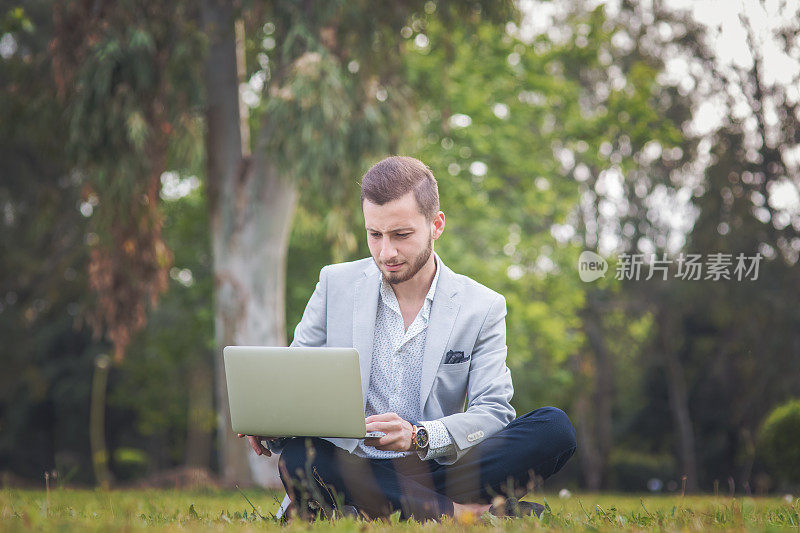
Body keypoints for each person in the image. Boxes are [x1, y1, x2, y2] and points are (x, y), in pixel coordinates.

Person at [239, 156, 576, 521]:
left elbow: (493, 412)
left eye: (401, 235)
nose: (386, 252)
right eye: (375, 234)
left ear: (436, 225)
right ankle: (464, 516)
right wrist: (271, 424)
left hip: (437, 466)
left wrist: (420, 436)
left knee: (554, 428)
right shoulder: (333, 285)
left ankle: (375, 509)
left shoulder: (483, 306)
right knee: (299, 457)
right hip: (352, 466)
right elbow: (296, 381)